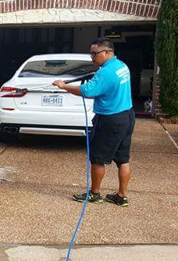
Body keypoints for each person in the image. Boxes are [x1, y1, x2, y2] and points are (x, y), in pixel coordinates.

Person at [53, 38, 135, 207]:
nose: (92, 57)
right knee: (123, 159)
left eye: (95, 54)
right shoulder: (121, 66)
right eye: (90, 53)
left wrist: (63, 86)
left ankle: (95, 194)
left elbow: (87, 91)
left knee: (97, 159)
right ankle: (122, 196)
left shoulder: (105, 73)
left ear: (107, 53)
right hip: (127, 116)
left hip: (110, 119)